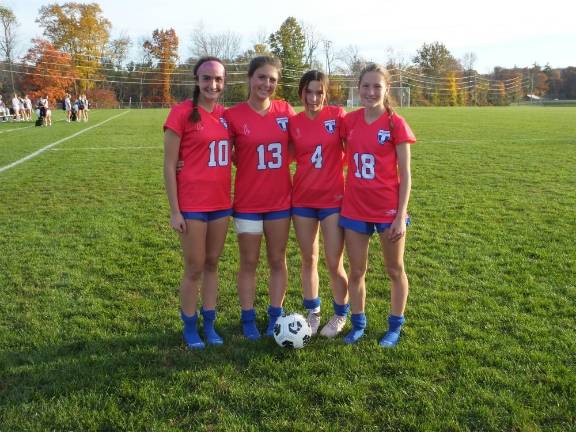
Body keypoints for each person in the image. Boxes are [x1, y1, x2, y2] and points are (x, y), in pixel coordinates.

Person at [339, 63, 416, 347]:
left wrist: (400, 215)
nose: (371, 92)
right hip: (355, 207)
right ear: (358, 89)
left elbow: (406, 175)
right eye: (366, 86)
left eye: (377, 87)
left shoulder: (396, 123)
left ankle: (394, 326)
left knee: (395, 269)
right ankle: (358, 323)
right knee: (357, 271)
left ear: (387, 90)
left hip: (387, 210)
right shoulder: (349, 121)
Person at [224, 56, 295, 339]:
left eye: (272, 80)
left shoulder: (285, 111)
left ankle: (275, 315)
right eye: (262, 77)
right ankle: (248, 317)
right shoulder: (233, 115)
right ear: (250, 79)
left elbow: (302, 143)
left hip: (279, 201)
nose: (267, 84)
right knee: (249, 262)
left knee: (278, 260)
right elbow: (217, 152)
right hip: (248, 203)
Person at [163, 56, 232, 349]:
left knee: (213, 264)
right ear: (196, 81)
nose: (212, 84)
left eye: (218, 79)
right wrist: (175, 210)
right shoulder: (181, 114)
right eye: (207, 78)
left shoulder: (227, 116)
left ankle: (210, 323)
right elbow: (168, 165)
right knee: (194, 267)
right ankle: (190, 326)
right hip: (192, 204)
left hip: (220, 203)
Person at [288, 70, 349, 337]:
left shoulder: (337, 117)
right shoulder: (294, 122)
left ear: (326, 94)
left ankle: (340, 314)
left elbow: (356, 145)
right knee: (308, 258)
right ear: (301, 93)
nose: (313, 98)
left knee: (334, 262)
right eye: (308, 92)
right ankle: (313, 314)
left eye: (318, 92)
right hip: (302, 198)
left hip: (333, 199)